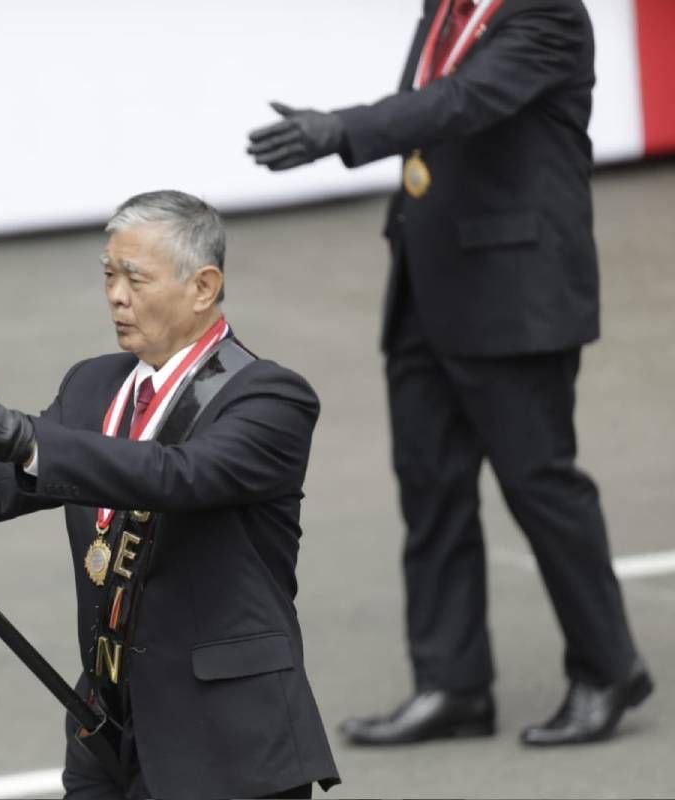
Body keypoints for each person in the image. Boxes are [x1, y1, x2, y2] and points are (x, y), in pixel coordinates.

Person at [0, 191, 340, 799]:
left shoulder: (269, 397)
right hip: (109, 726)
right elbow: (9, 479)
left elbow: (178, 474)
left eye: (135, 279)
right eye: (108, 276)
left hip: (229, 740)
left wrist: (25, 437)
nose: (116, 296)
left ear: (203, 287)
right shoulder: (94, 383)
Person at [246, 0, 650, 747]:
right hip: (427, 284)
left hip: (513, 295)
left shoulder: (548, 15)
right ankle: (452, 686)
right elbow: (431, 106)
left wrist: (341, 130)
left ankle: (608, 669)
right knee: (431, 489)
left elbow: (461, 101)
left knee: (541, 487)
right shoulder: (447, 5)